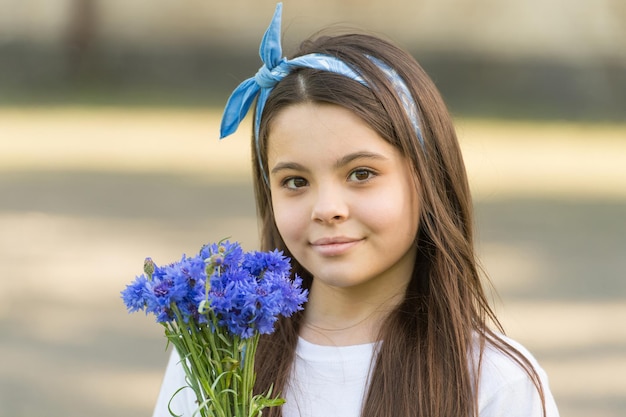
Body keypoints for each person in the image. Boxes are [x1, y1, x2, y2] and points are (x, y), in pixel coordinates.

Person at [152, 3, 559, 417]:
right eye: (295, 182)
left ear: (427, 176)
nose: (327, 209)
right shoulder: (216, 358)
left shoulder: (494, 382)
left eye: (361, 173)